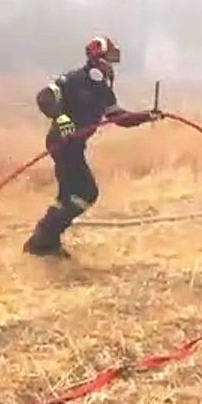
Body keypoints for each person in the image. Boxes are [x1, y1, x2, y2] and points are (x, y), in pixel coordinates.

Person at [24, 36, 162, 257]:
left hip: (76, 146)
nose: (112, 66)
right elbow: (44, 97)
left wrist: (147, 116)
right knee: (87, 193)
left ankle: (44, 241)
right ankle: (43, 241)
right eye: (110, 60)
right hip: (62, 142)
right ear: (98, 60)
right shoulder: (73, 79)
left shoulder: (102, 89)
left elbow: (119, 117)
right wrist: (60, 118)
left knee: (68, 196)